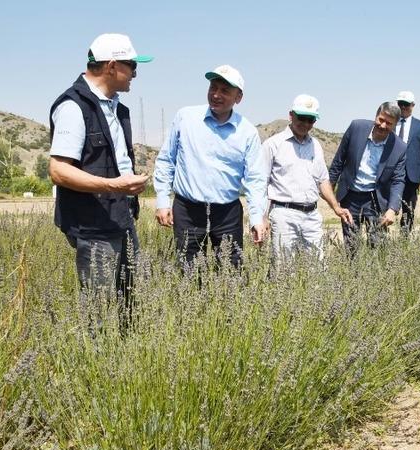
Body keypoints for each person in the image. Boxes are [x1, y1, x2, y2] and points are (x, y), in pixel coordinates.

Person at [48, 33, 152, 331]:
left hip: (119, 218)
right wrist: (115, 186)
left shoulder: (116, 108)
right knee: (98, 312)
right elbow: (59, 171)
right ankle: (95, 367)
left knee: (127, 306)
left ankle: (123, 365)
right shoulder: (73, 106)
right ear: (111, 66)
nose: (134, 73)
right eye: (131, 65)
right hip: (93, 225)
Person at [153, 65, 267, 269]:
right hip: (187, 210)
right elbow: (166, 160)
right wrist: (162, 200)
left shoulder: (247, 132)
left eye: (225, 91)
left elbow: (255, 179)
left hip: (227, 214)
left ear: (238, 97)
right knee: (188, 275)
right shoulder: (185, 118)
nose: (216, 95)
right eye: (213, 88)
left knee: (231, 275)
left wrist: (257, 218)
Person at [263, 94, 353, 260]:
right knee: (283, 268)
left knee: (317, 269)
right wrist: (262, 218)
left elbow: (322, 181)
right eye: (302, 118)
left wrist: (336, 207)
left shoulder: (316, 145)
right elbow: (262, 183)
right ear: (291, 115)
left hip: (311, 215)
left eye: (310, 120)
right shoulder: (273, 144)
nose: (305, 124)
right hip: (284, 214)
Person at [329, 102, 407, 254]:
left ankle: (376, 277)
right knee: (351, 247)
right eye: (381, 120)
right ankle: (353, 276)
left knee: (377, 248)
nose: (383, 125)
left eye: (389, 123)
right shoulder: (356, 127)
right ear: (376, 116)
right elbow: (339, 160)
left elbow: (398, 180)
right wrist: (330, 189)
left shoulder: (400, 148)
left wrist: (392, 209)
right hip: (350, 197)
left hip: (376, 201)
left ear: (396, 125)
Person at [394, 91, 420, 233]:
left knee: (408, 209)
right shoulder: (390, 123)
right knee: (386, 207)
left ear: (413, 105)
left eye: (406, 104)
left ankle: (404, 240)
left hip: (412, 176)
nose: (403, 107)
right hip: (391, 174)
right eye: (400, 104)